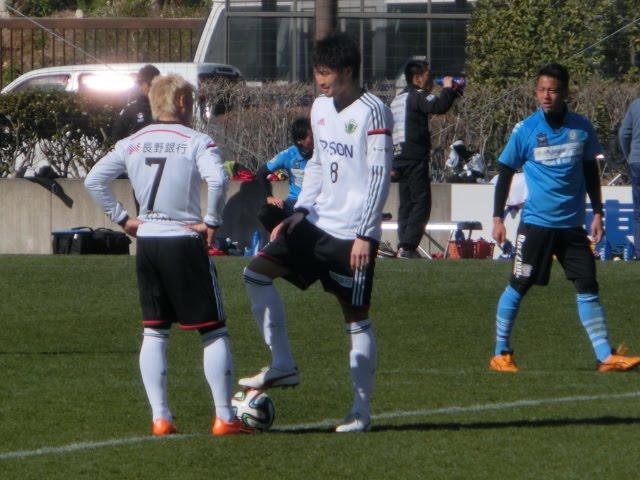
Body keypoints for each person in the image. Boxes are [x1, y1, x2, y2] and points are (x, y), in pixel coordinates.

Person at [239, 32, 393, 433]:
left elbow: (379, 176)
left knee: (355, 318)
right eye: (317, 72)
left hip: (351, 235)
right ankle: (282, 363)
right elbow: (319, 164)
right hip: (316, 223)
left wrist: (366, 234)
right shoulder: (320, 107)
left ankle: (360, 411)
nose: (320, 80)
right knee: (256, 273)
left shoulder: (374, 112)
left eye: (327, 72)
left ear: (348, 71)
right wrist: (300, 211)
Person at [85, 74, 253, 436]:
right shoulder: (196, 141)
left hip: (148, 243)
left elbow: (93, 180)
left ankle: (160, 417)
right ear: (181, 103)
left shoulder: (131, 142)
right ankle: (224, 417)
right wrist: (212, 221)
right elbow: (218, 180)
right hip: (183, 240)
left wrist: (123, 219)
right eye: (190, 101)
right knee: (213, 330)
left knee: (155, 331)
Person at [490, 63, 640, 373]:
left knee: (588, 285)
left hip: (572, 226)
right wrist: (497, 218)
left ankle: (605, 357)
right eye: (542, 90)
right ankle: (500, 353)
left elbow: (590, 171)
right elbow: (504, 172)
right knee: (518, 285)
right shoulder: (526, 130)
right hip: (536, 225)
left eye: (553, 91)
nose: (546, 96)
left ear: (565, 93)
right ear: (536, 92)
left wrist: (597, 212)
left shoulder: (581, 128)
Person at [390, 60, 458, 258]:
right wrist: (448, 89)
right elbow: (439, 106)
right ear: (417, 78)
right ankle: (408, 246)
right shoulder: (417, 94)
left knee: (406, 203)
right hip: (414, 157)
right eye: (429, 76)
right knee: (421, 202)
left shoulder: (397, 99)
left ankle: (403, 246)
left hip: (398, 157)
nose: (431, 81)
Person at [255, 117, 313, 232]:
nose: (315, 139)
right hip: (294, 201)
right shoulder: (289, 155)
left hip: (316, 202)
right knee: (265, 213)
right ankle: (280, 238)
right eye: (311, 137)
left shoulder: (322, 152)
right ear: (299, 141)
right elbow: (261, 173)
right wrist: (269, 197)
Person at [111, 64, 160, 142]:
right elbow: (117, 136)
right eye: (141, 84)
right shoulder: (131, 109)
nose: (150, 88)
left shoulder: (168, 108)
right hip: (138, 148)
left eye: (153, 84)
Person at [618, 96, 640, 259]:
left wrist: (629, 156)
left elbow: (623, 134)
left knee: (639, 211)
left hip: (637, 161)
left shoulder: (635, 105)